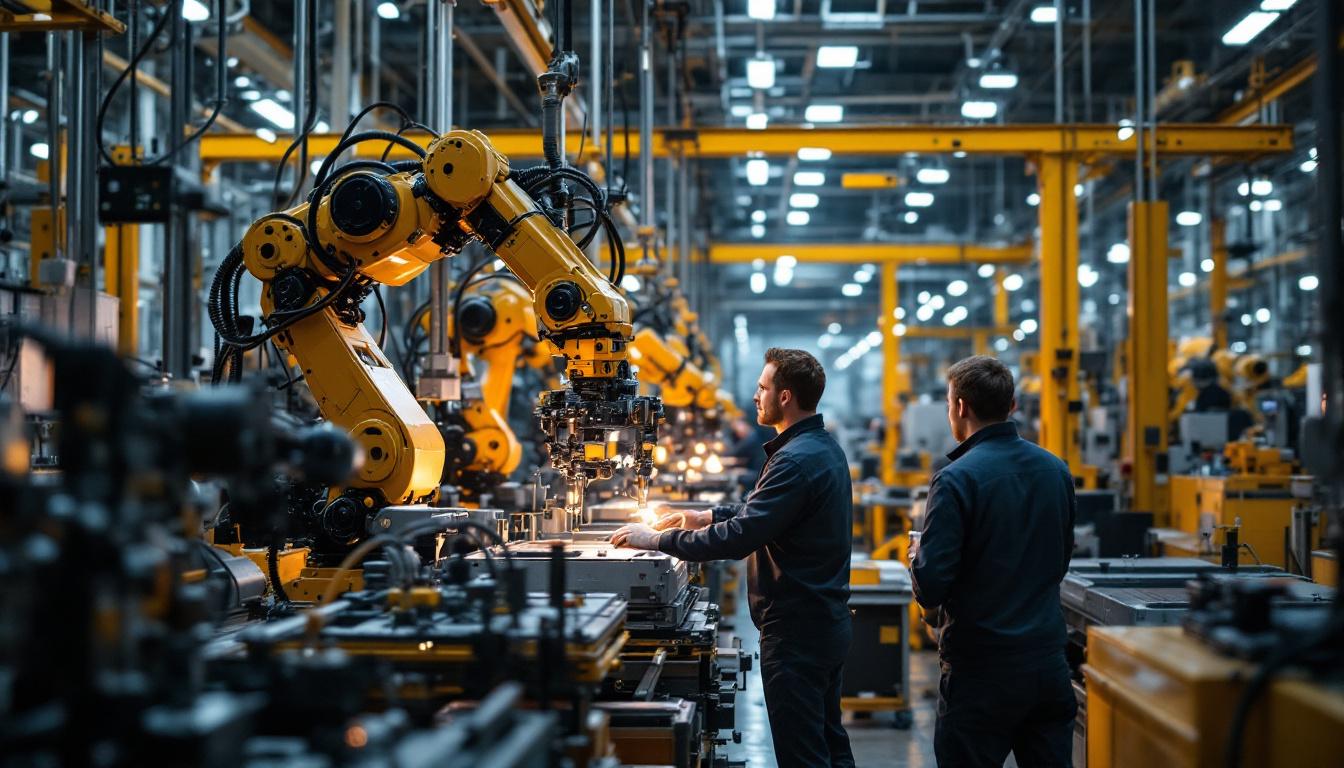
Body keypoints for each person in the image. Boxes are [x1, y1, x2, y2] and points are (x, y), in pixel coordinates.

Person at [610, 348, 854, 768]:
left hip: (797, 632)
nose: (755, 395)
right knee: (830, 743)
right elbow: (764, 513)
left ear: (785, 397)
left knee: (805, 756)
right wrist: (703, 515)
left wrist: (655, 541)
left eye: (763, 387)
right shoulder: (817, 448)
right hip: (823, 622)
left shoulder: (794, 460)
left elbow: (741, 538)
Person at [910, 355, 1077, 767]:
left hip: (981, 672)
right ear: (1013, 405)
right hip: (1048, 664)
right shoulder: (1056, 470)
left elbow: (931, 583)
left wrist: (917, 557)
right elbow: (1060, 560)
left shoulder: (956, 479)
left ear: (961, 407)